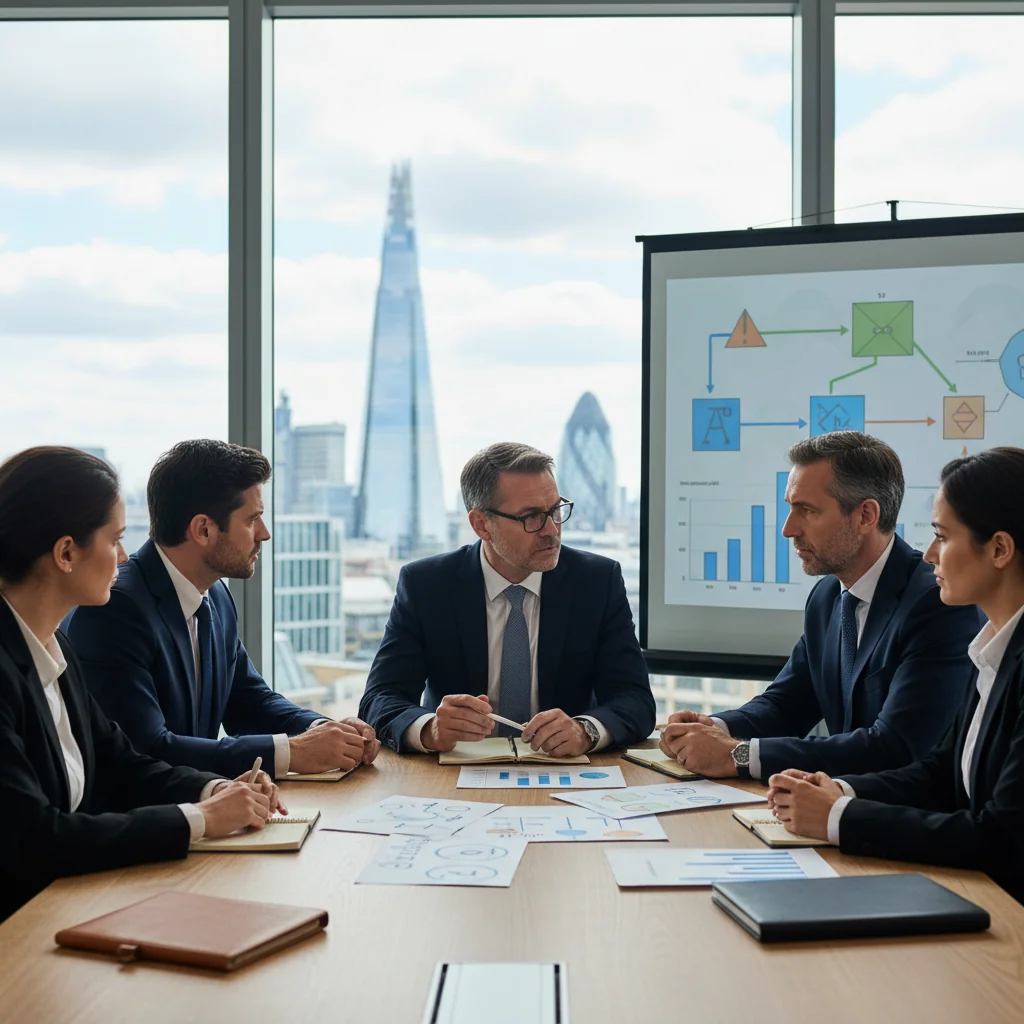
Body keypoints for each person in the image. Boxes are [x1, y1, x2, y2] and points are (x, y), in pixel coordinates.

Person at [0, 447, 283, 922]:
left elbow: (122, 762)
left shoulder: (53, 648)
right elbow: (34, 839)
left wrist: (212, 790)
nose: (125, 556)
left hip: (68, 906)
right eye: (115, 540)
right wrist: (200, 820)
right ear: (66, 553)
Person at [768, 447, 1024, 904]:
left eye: (943, 537)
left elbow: (1002, 838)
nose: (929, 554)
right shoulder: (992, 650)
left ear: (1000, 549)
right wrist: (837, 789)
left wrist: (839, 817)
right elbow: (940, 774)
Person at [660, 431, 979, 781]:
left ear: (865, 516)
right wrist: (713, 727)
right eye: (790, 508)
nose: (787, 529)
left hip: (896, 821)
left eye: (807, 511)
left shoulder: (937, 604)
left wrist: (737, 754)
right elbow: (787, 703)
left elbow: (896, 746)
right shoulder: (827, 596)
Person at [66, 440, 379, 779]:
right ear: (203, 529)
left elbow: (248, 701)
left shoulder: (215, 595)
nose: (265, 534)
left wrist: (326, 730)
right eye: (252, 520)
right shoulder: (116, 609)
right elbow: (148, 749)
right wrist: (294, 752)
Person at [358, 442, 655, 755]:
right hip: (453, 777)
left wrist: (587, 730)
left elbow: (635, 699)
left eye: (556, 510)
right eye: (531, 517)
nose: (552, 530)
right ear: (481, 525)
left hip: (567, 774)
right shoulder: (427, 585)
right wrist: (430, 729)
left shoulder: (596, 581)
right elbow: (380, 699)